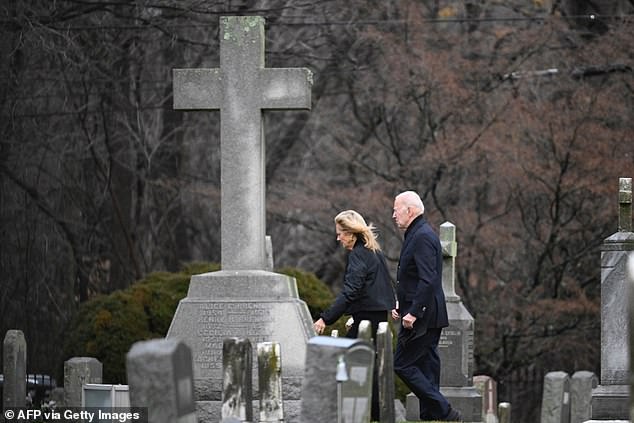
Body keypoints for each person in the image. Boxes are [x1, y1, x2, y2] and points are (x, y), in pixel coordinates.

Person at [313, 209, 396, 421]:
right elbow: (380, 287)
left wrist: (326, 318)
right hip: (374, 317)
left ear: (351, 233)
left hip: (368, 319)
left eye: (341, 232)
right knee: (368, 365)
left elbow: (351, 291)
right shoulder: (373, 251)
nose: (338, 237)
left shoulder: (359, 255)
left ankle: (360, 413)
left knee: (350, 362)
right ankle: (374, 414)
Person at [391, 191, 463, 422]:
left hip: (422, 316)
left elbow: (428, 279)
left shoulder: (421, 236)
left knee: (402, 364)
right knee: (427, 364)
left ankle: (446, 412)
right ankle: (431, 415)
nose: (393, 215)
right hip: (425, 312)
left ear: (409, 211)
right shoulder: (417, 233)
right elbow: (413, 278)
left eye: (396, 209)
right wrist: (401, 304)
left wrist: (413, 312)